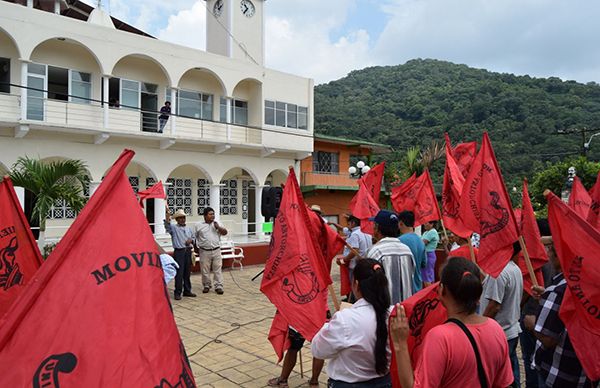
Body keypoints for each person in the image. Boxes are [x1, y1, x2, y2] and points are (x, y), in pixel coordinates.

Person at [390, 256, 514, 388]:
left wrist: (400, 344)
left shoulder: (439, 337)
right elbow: (503, 383)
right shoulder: (495, 329)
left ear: (441, 289)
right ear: (478, 295)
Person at [311, 259, 393, 387]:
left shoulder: (345, 319)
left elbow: (319, 350)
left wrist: (329, 325)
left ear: (356, 284)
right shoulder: (395, 314)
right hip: (386, 382)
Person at [533, 236, 592, 388]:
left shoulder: (559, 291)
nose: (548, 255)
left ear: (559, 257)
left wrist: (530, 323)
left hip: (558, 373)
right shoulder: (590, 286)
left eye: (550, 251)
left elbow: (547, 338)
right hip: (584, 374)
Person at [480, 241, 524, 387]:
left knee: (498, 377)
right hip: (511, 329)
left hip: (499, 333)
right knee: (512, 371)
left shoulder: (499, 272)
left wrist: (480, 327)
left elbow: (494, 306)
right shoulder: (514, 268)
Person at [366, 210, 415, 304]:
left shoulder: (375, 252)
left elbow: (370, 288)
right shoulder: (407, 251)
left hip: (384, 312)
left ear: (377, 228)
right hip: (405, 311)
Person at [164, 208, 196, 300]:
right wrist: (167, 216)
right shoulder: (174, 228)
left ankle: (187, 290)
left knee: (187, 272)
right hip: (179, 252)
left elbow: (193, 238)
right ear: (177, 219)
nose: (182, 219)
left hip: (188, 251)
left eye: (183, 217)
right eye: (180, 218)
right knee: (179, 273)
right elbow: (167, 226)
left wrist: (191, 240)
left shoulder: (189, 228)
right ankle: (177, 292)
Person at [194, 207, 227, 294]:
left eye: (213, 214)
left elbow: (225, 232)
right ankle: (206, 285)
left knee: (217, 269)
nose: (212, 216)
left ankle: (218, 286)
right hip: (204, 251)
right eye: (210, 214)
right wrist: (195, 248)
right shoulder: (198, 225)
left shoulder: (217, 223)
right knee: (205, 269)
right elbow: (194, 237)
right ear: (205, 216)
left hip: (216, 250)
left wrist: (218, 227)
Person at [336, 214, 373, 284]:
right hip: (367, 263)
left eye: (349, 223)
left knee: (355, 288)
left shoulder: (355, 234)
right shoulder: (367, 232)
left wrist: (342, 261)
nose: (348, 225)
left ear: (353, 223)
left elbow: (354, 251)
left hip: (355, 265)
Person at [397, 211, 426, 292]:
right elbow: (424, 264)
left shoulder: (399, 241)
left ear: (401, 223)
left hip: (404, 288)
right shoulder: (420, 241)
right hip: (417, 286)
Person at [421, 220, 440, 287]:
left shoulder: (432, 232)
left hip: (429, 255)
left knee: (427, 276)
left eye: (426, 223)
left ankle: (430, 293)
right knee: (425, 275)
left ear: (431, 224)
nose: (424, 224)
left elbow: (422, 243)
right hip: (424, 255)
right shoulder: (426, 232)